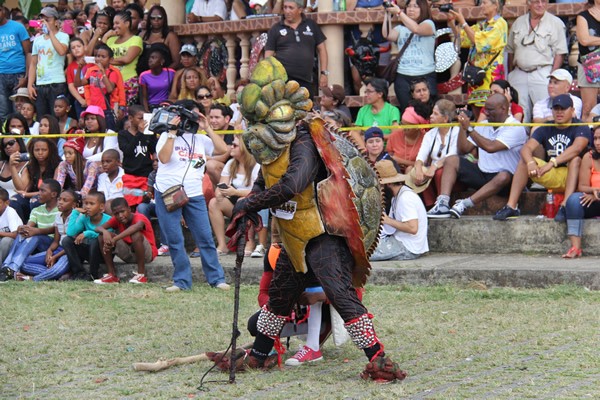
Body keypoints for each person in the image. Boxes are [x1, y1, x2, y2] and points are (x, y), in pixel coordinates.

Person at [216, 57, 406, 382]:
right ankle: (260, 354)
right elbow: (266, 181)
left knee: (340, 294)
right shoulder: (272, 146)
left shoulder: (304, 141)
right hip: (294, 237)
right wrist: (250, 203)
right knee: (280, 296)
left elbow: (293, 183)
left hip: (321, 234)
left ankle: (378, 359)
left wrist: (250, 203)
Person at [154, 100, 229, 292]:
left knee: (205, 237)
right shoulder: (165, 136)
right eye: (190, 116)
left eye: (196, 116)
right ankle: (181, 281)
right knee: (175, 239)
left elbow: (223, 150)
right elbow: (164, 158)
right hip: (167, 192)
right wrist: (172, 132)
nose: (192, 120)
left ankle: (217, 279)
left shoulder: (201, 139)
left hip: (194, 194)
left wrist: (207, 128)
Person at [428, 94, 528, 218]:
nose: (486, 113)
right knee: (451, 160)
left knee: (503, 176)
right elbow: (464, 149)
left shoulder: (515, 127)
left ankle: (464, 204)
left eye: (490, 110)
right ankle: (443, 204)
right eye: (485, 109)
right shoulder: (484, 124)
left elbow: (491, 147)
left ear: (503, 108)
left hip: (506, 182)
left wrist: (470, 129)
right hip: (482, 173)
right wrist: (462, 127)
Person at [494, 94, 591, 221]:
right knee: (524, 161)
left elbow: (577, 148)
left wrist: (552, 163)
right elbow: (526, 148)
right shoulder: (547, 127)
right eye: (556, 109)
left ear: (572, 110)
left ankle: (565, 206)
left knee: (575, 159)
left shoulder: (580, 126)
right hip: (554, 173)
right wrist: (530, 163)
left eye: (563, 108)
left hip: (577, 177)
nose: (559, 112)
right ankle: (511, 206)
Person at [506, 0, 567, 123]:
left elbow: (560, 53)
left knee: (545, 113)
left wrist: (552, 76)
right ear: (528, 3)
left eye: (543, 1)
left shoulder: (555, 23)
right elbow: (510, 51)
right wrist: (511, 73)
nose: (540, 5)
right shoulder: (518, 22)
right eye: (536, 2)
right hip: (519, 74)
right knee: (519, 116)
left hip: (543, 73)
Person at [448, 0, 507, 117]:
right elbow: (462, 38)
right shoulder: (481, 25)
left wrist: (463, 22)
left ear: (495, 5)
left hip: (490, 76)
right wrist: (452, 23)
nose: (481, 5)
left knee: (490, 112)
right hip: (476, 76)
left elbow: (479, 41)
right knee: (476, 113)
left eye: (485, 3)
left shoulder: (500, 24)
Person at [264, 0, 328, 98]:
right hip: (283, 82)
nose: (287, 11)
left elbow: (322, 50)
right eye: (285, 7)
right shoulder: (276, 29)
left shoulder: (311, 25)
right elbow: (268, 57)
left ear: (300, 10)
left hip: (306, 80)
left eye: (291, 8)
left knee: (306, 107)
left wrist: (324, 73)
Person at [208, 135, 261, 254]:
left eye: (235, 145)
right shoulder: (231, 163)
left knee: (242, 201)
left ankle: (250, 242)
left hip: (254, 203)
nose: (231, 147)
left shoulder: (256, 166)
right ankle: (222, 245)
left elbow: (258, 192)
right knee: (213, 203)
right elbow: (221, 184)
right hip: (235, 202)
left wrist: (236, 192)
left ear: (244, 149)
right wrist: (219, 193)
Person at [0, 179, 60, 282]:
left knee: (35, 236)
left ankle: (12, 268)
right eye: (39, 190)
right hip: (37, 245)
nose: (39, 194)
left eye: (42, 191)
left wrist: (36, 231)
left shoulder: (60, 209)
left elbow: (56, 229)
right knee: (23, 234)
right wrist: (23, 229)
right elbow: (29, 226)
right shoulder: (36, 210)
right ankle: (6, 267)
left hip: (53, 244)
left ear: (53, 194)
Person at [383, 0, 436, 113]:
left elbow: (417, 29)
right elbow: (388, 35)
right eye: (409, 6)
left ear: (423, 9)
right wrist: (387, 14)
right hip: (403, 75)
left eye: (415, 6)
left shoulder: (429, 24)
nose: (411, 9)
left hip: (425, 73)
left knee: (428, 111)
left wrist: (399, 13)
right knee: (407, 111)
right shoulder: (400, 28)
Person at [370, 160, 428, 261]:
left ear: (388, 184)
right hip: (401, 241)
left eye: (380, 186)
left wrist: (387, 220)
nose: (380, 190)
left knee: (364, 254)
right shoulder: (397, 196)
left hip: (408, 247)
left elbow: (413, 228)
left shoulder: (405, 198)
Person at [17, 190, 78, 281]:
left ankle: (33, 278)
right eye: (59, 199)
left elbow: (73, 245)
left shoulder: (77, 218)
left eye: (65, 200)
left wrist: (55, 257)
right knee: (23, 263)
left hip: (68, 253)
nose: (60, 202)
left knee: (56, 270)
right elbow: (56, 241)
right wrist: (49, 251)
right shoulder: (58, 216)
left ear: (74, 204)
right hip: (58, 250)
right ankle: (58, 274)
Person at [409, 99, 459, 207]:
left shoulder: (456, 131)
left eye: (435, 114)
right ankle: (430, 205)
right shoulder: (430, 134)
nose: (431, 116)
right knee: (420, 172)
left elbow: (452, 154)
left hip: (453, 173)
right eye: (432, 113)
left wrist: (434, 166)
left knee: (439, 172)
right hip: (432, 173)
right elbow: (421, 156)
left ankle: (442, 204)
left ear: (445, 119)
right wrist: (418, 169)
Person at [94, 197, 157, 284]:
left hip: (146, 255)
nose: (120, 216)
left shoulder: (139, 217)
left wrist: (115, 239)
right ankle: (112, 275)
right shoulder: (116, 219)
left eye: (122, 211)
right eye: (116, 214)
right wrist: (105, 232)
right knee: (102, 236)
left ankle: (141, 275)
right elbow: (97, 228)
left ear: (129, 209)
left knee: (136, 234)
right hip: (129, 253)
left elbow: (137, 227)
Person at [561, 126, 600, 258]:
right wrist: (593, 191)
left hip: (595, 198)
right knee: (573, 200)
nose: (597, 143)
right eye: (595, 138)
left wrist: (597, 195)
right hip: (593, 200)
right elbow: (582, 186)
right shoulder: (589, 157)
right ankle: (576, 248)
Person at [27, 7, 70, 118]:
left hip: (56, 83)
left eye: (48, 20)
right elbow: (33, 63)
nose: (44, 23)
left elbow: (62, 51)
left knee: (56, 117)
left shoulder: (63, 36)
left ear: (56, 22)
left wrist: (50, 32)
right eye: (42, 20)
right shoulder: (38, 39)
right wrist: (30, 85)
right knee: (42, 118)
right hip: (40, 84)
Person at [76, 44, 125, 131]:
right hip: (94, 109)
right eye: (97, 56)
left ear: (110, 59)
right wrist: (79, 68)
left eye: (103, 57)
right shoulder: (92, 71)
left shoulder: (113, 72)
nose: (99, 59)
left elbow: (110, 89)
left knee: (108, 133)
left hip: (107, 110)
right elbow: (77, 84)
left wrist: (103, 73)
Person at [11, 138, 61, 223]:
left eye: (44, 150)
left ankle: (36, 226)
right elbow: (21, 188)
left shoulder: (58, 165)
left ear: (50, 150)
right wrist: (12, 166)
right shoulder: (30, 166)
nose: (40, 153)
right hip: (31, 196)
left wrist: (27, 194)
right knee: (14, 200)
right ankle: (20, 225)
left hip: (51, 197)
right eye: (37, 150)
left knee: (35, 200)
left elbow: (53, 190)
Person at [64, 190, 111, 280]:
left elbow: (105, 237)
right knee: (67, 240)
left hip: (104, 254)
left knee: (95, 241)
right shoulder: (84, 218)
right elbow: (70, 233)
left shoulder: (108, 220)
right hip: (90, 253)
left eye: (91, 204)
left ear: (101, 206)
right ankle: (79, 272)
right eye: (86, 203)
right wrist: (75, 212)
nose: (87, 207)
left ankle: (93, 274)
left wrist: (87, 233)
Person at [118, 105, 157, 208]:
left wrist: (151, 133)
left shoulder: (148, 133)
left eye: (145, 118)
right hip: (130, 176)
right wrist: (139, 133)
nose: (143, 121)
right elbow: (128, 151)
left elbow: (154, 150)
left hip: (146, 176)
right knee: (130, 204)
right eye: (140, 118)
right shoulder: (123, 134)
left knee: (145, 203)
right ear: (131, 118)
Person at [0, 5, 31, 121]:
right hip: (1, 74)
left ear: (3, 11)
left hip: (18, 73)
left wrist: (26, 77)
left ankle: (20, 132)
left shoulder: (18, 27)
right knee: (3, 111)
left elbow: (28, 53)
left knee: (19, 110)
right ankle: (6, 132)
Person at [106, 10, 144, 105]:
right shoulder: (111, 40)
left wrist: (107, 61)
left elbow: (127, 59)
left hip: (127, 81)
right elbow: (100, 53)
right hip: (110, 82)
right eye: (113, 23)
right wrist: (106, 36)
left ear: (127, 24)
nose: (114, 26)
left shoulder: (136, 39)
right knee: (112, 110)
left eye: (117, 23)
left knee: (125, 110)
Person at [350, 77, 400, 148]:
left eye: (369, 92)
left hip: (386, 149)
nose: (366, 95)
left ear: (380, 94)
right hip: (367, 149)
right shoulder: (363, 110)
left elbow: (395, 135)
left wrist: (371, 136)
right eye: (366, 92)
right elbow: (355, 132)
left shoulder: (392, 110)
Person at [532, 69, 582, 133]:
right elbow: (536, 121)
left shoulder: (576, 101)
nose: (550, 86)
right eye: (550, 82)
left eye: (555, 83)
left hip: (568, 133)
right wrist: (548, 119)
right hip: (547, 134)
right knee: (535, 128)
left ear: (567, 87)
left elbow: (573, 117)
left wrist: (548, 119)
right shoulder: (539, 104)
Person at [576, 0, 600, 122]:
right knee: (588, 108)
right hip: (589, 66)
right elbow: (584, 40)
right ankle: (588, 134)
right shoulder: (583, 16)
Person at [386, 106, 427, 173]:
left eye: (407, 126)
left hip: (416, 174)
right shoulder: (395, 135)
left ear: (417, 127)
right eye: (402, 124)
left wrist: (402, 161)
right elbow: (388, 157)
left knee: (410, 169)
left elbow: (425, 165)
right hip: (395, 172)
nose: (403, 128)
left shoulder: (426, 139)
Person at [140, 5, 181, 70]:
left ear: (164, 18)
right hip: (143, 73)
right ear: (149, 19)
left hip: (163, 73)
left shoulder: (170, 36)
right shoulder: (143, 34)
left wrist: (163, 73)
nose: (156, 20)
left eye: (159, 17)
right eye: (153, 17)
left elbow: (177, 62)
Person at [139, 45, 175, 112]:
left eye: (154, 58)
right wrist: (147, 111)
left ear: (162, 61)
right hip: (152, 106)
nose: (150, 60)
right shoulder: (144, 75)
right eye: (150, 58)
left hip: (167, 105)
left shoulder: (170, 72)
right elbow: (144, 97)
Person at [205, 103, 234, 185]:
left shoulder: (233, 132)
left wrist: (204, 157)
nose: (213, 121)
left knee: (211, 165)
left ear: (227, 119)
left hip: (231, 170)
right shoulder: (208, 133)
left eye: (217, 117)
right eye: (211, 117)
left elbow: (223, 158)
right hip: (214, 170)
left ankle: (225, 190)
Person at [0, 136, 28, 200]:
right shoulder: (1, 164)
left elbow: (21, 189)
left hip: (18, 201)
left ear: (19, 143)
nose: (7, 147)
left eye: (11, 143)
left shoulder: (28, 165)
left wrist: (12, 166)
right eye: (4, 145)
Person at [0, 188, 23, 264]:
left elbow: (15, 235)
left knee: (6, 241)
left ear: (7, 203)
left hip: (17, 243)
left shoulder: (10, 212)